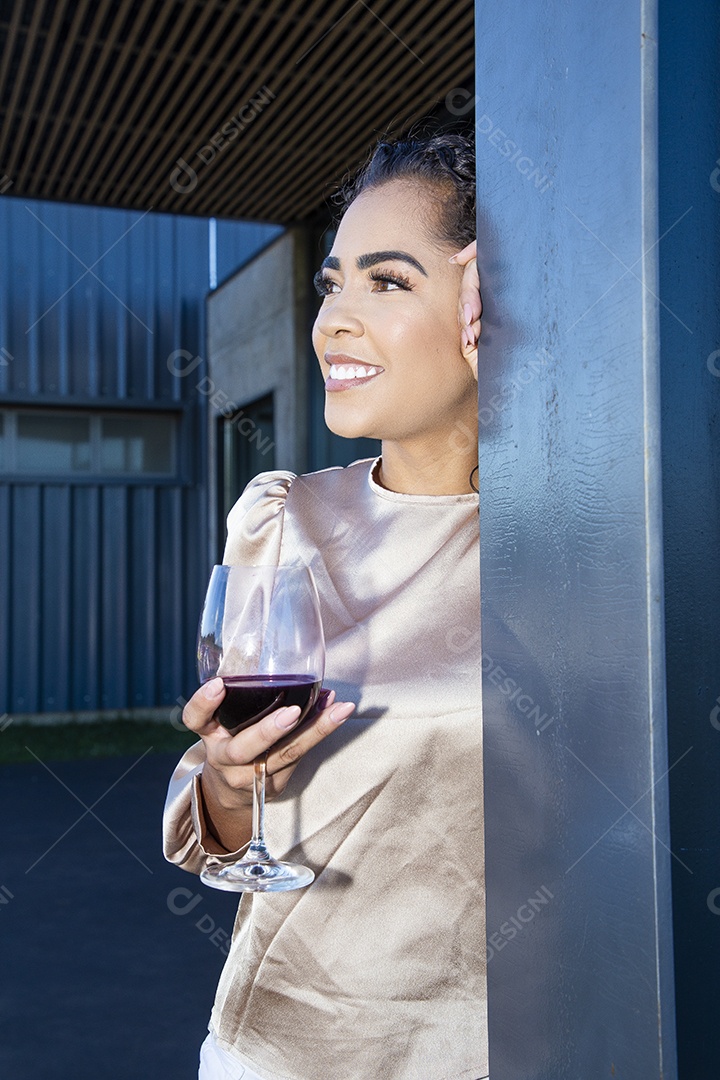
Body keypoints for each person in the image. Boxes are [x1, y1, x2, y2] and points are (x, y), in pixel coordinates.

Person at [163, 130, 486, 1080]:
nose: (335, 321)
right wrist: (225, 780)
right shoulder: (279, 515)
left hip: (499, 1051)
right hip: (278, 1052)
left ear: (486, 305)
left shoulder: (589, 538)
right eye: (333, 283)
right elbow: (219, 807)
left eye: (387, 283)